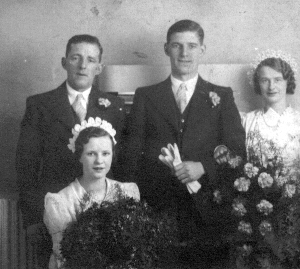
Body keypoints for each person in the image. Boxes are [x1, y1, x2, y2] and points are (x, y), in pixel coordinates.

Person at [122, 19, 246, 266]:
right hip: (158, 209)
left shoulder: (221, 96)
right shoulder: (146, 96)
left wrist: (203, 167)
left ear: (202, 49)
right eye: (177, 46)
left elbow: (238, 152)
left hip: (208, 212)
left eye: (191, 45)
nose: (184, 53)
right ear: (166, 49)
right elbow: (130, 155)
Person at [15, 34, 126, 267]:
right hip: (54, 214)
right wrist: (33, 218)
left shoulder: (114, 108)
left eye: (90, 59)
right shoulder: (40, 105)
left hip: (103, 214)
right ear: (64, 62)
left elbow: (123, 164)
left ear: (99, 67)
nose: (83, 65)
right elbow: (26, 166)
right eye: (76, 58)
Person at [44, 117, 139, 269]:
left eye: (106, 153)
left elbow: (133, 249)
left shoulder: (127, 191)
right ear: (79, 156)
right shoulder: (61, 201)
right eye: (91, 154)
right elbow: (64, 256)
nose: (99, 161)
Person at [242, 50, 300, 180]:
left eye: (277, 80)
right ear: (258, 83)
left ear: (287, 82)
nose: (271, 87)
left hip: (298, 197)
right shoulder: (247, 121)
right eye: (265, 80)